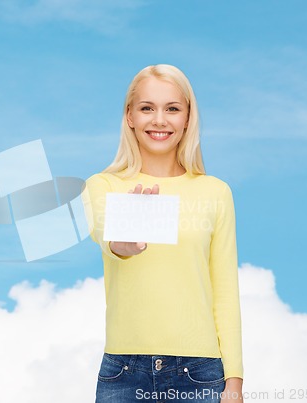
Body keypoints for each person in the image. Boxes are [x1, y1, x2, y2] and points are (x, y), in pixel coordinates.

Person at [82, 64, 244, 402]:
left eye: (172, 108)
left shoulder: (215, 192)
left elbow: (225, 291)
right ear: (129, 116)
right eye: (146, 108)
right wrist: (123, 242)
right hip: (123, 373)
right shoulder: (103, 185)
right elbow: (107, 237)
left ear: (187, 118)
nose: (159, 120)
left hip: (201, 374)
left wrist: (234, 382)